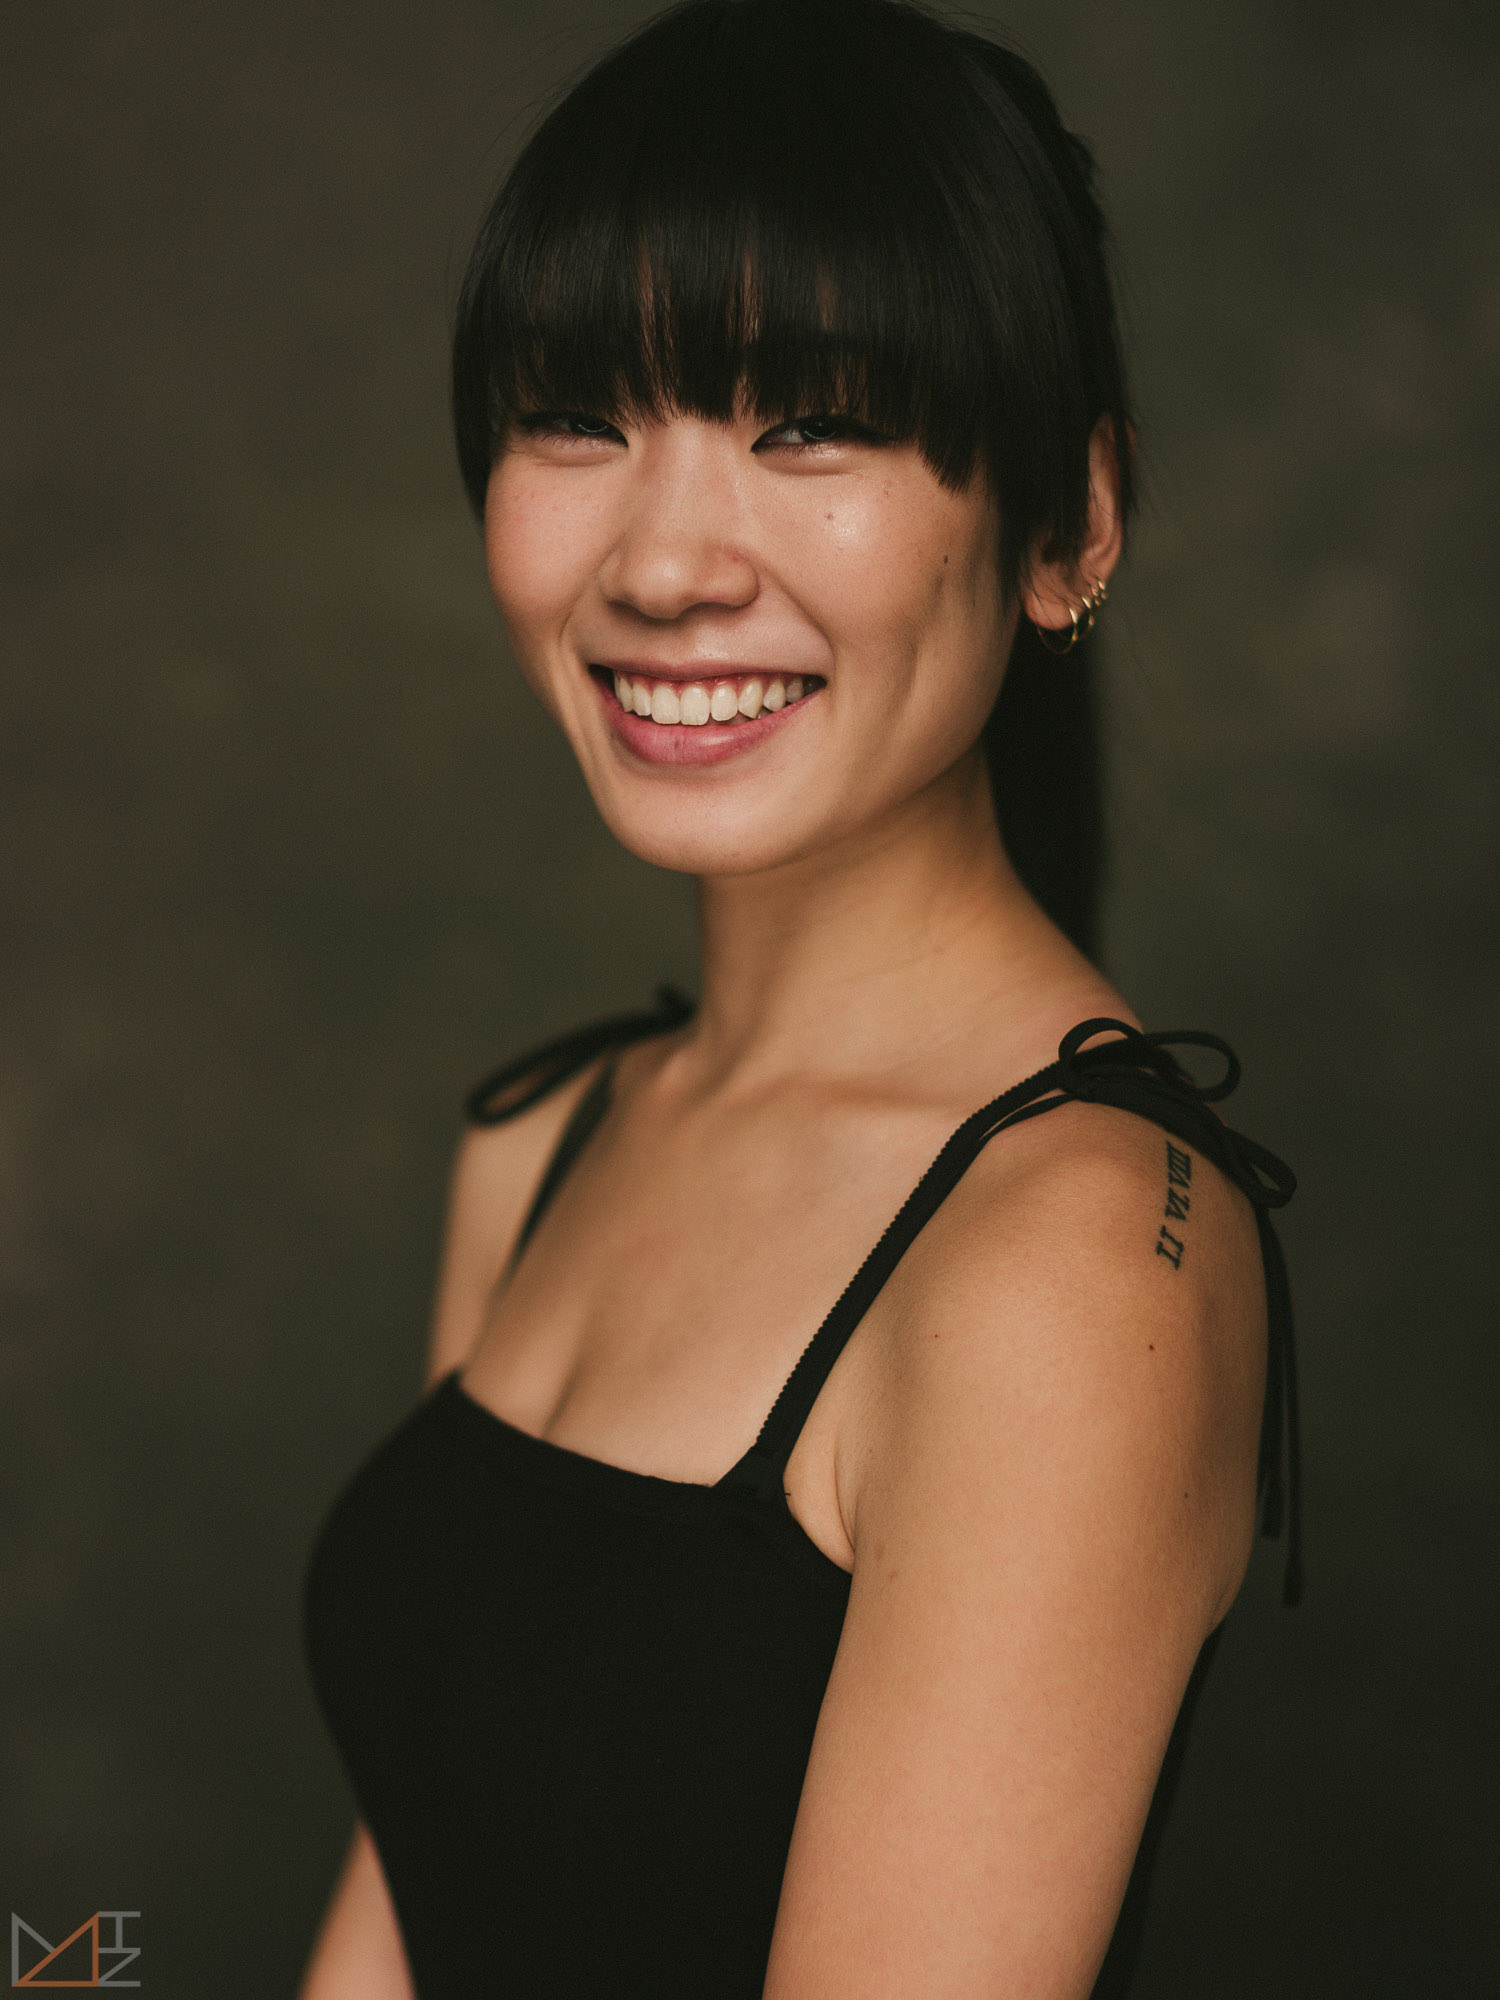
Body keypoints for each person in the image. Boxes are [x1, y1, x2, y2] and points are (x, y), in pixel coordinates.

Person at [298, 2, 1300, 1994]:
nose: (666, 562)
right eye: (577, 417)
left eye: (811, 421)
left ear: (1068, 524)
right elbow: (406, 1901)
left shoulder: (1073, 1260)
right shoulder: (543, 1139)